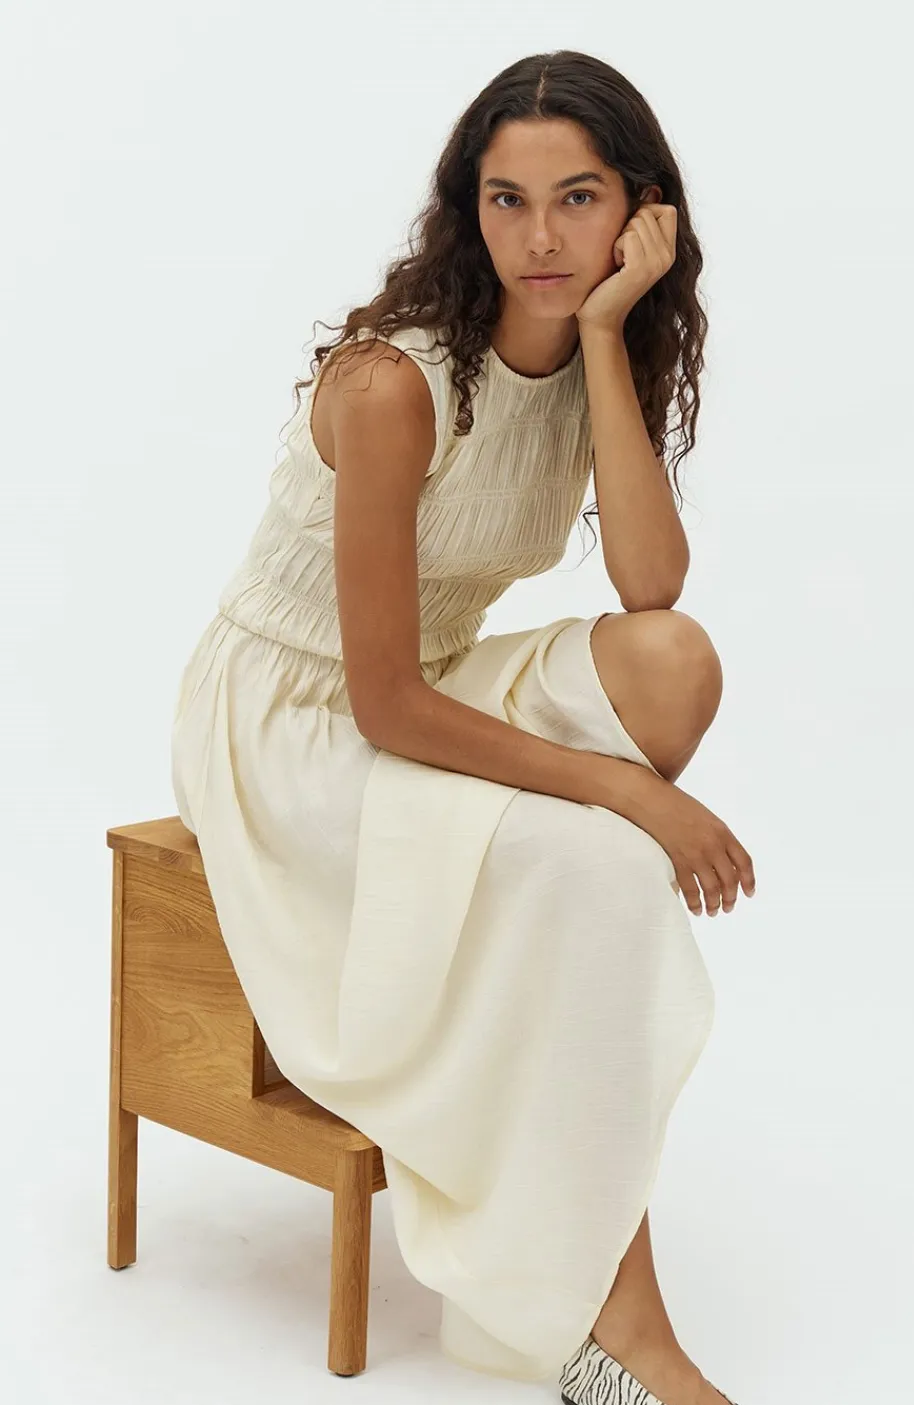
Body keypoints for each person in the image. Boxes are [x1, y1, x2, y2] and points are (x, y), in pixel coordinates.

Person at [170, 48, 755, 1405]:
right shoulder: (396, 384)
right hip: (291, 722)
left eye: (577, 198)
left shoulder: (589, 346)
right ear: (466, 210)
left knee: (671, 664)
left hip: (426, 683)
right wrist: (628, 797)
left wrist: (605, 336)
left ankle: (523, 956)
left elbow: (651, 586)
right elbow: (381, 702)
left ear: (640, 213)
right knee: (598, 864)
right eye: (507, 200)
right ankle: (617, 1324)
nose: (540, 238)